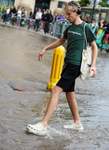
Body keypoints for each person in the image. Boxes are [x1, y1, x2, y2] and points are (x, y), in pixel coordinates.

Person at [26, 1, 98, 135]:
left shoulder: (85, 27)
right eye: (65, 14)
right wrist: (45, 48)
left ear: (77, 12)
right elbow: (60, 41)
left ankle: (43, 124)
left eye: (69, 14)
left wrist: (93, 65)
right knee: (70, 94)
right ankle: (77, 123)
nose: (66, 16)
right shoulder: (69, 28)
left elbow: (94, 46)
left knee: (55, 92)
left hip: (76, 65)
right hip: (67, 64)